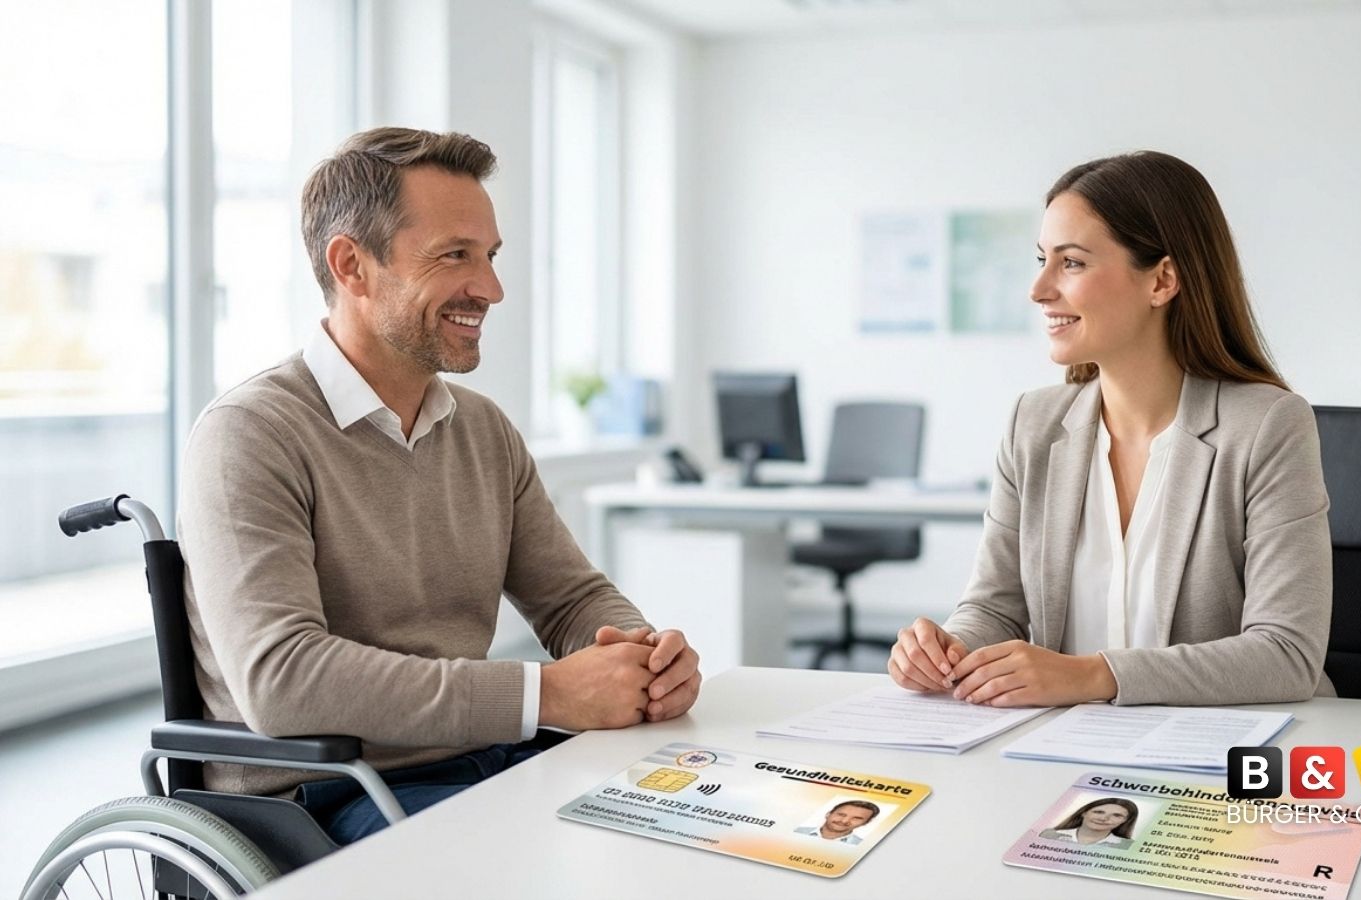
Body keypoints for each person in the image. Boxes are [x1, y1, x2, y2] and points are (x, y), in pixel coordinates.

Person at [178, 127, 701, 844]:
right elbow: (285, 680)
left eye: (489, 256)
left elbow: (573, 598)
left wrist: (644, 659)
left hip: (480, 760)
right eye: (456, 256)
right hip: (325, 794)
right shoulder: (249, 434)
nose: (490, 288)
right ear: (352, 266)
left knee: (682, 833)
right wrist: (546, 693)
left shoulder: (482, 430)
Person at [888, 151, 1335, 708]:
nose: (1039, 289)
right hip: (1066, 750)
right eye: (1041, 259)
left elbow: (1285, 654)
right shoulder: (1033, 424)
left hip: (1227, 759)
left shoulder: (1267, 427)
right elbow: (995, 609)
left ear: (1162, 279)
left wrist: (1092, 676)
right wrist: (947, 649)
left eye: (1071, 263)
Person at [1039, 798, 1138, 846]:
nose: (1103, 818)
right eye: (1098, 812)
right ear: (1084, 813)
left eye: (1117, 815)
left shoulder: (1129, 846)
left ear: (1125, 820)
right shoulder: (1048, 834)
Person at [793, 800, 881, 845]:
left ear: (866, 823)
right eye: (841, 815)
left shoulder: (861, 845)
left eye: (856, 818)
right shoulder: (796, 831)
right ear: (828, 814)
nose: (844, 821)